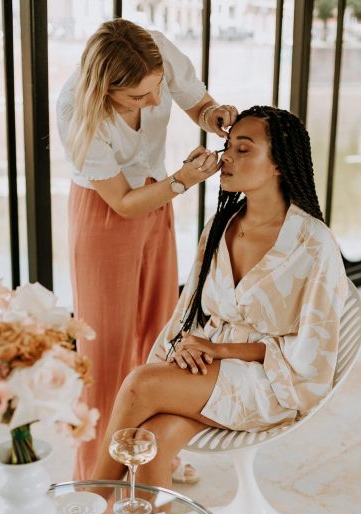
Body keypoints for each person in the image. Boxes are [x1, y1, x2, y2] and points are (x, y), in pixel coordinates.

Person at [92, 105, 349, 493]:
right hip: (211, 368)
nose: (226, 156)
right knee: (152, 444)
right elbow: (189, 311)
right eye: (228, 145)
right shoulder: (221, 226)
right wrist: (184, 349)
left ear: (279, 164)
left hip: (270, 381)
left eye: (243, 150)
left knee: (140, 384)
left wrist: (220, 349)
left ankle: (92, 499)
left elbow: (312, 354)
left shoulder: (313, 244)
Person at [56, 18, 238, 480]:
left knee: (160, 329)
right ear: (105, 90)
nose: (155, 101)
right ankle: (95, 473)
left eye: (155, 88)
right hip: (105, 214)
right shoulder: (77, 109)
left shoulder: (152, 52)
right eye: (138, 97)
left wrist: (211, 114)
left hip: (157, 200)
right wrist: (184, 180)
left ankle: (153, 454)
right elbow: (120, 201)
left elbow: (197, 103)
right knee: (106, 347)